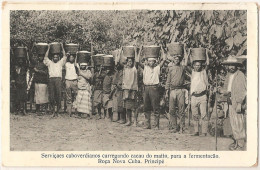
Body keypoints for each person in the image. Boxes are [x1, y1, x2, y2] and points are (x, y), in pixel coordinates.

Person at [220, 56, 247, 150]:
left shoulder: (240, 75)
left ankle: (240, 145)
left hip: (236, 102)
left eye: (233, 65)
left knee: (238, 123)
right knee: (232, 123)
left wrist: (240, 103)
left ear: (236, 66)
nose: (231, 67)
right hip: (229, 101)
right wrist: (222, 91)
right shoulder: (228, 75)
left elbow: (242, 90)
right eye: (229, 65)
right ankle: (236, 142)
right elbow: (227, 88)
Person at [137, 46, 166, 129]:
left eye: (153, 61)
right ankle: (147, 124)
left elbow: (164, 59)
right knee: (146, 107)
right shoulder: (145, 68)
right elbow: (137, 61)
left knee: (155, 107)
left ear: (155, 62)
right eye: (149, 61)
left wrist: (162, 49)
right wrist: (141, 50)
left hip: (154, 88)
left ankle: (156, 125)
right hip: (146, 88)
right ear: (147, 62)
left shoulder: (157, 68)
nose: (151, 63)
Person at [165, 49, 188, 133]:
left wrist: (184, 49)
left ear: (180, 60)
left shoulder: (182, 68)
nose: (177, 60)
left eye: (178, 59)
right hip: (172, 90)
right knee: (172, 110)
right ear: (173, 60)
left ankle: (182, 127)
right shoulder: (170, 69)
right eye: (175, 59)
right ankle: (174, 127)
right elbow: (168, 80)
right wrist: (167, 91)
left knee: (181, 110)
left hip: (180, 90)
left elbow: (186, 60)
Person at [189, 51, 210, 136]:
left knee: (204, 115)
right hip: (194, 96)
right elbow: (187, 63)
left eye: (199, 65)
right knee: (195, 115)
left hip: (202, 96)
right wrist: (189, 52)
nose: (197, 66)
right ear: (193, 66)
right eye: (196, 65)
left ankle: (204, 132)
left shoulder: (203, 72)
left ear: (201, 66)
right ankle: (196, 131)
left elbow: (207, 64)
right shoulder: (192, 72)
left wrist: (206, 53)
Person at [44, 43, 66, 117]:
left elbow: (65, 56)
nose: (55, 58)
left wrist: (62, 47)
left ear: (58, 58)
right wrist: (49, 48)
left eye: (57, 57)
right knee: (52, 96)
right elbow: (46, 57)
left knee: (58, 96)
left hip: (58, 80)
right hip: (51, 80)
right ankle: (53, 111)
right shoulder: (50, 63)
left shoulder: (60, 63)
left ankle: (58, 112)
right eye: (54, 57)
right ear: (52, 58)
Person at [122, 57, 138, 126]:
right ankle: (129, 121)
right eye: (128, 62)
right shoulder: (125, 69)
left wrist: (135, 50)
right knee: (127, 106)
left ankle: (135, 121)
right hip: (126, 89)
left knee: (134, 106)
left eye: (131, 61)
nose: (129, 63)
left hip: (133, 89)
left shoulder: (134, 69)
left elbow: (137, 61)